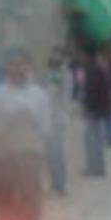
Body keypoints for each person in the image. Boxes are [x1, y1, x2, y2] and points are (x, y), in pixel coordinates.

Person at [0, 48, 51, 220]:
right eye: (12, 64)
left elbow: (47, 129)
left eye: (21, 64)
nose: (17, 68)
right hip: (4, 157)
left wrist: (32, 121)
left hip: (30, 157)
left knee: (32, 208)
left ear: (28, 67)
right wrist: (8, 124)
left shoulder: (39, 95)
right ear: (7, 67)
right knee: (5, 209)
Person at [80, 47, 111, 176]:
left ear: (87, 56)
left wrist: (87, 108)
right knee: (96, 138)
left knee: (91, 139)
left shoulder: (91, 70)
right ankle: (99, 167)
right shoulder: (98, 69)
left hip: (94, 110)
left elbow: (91, 92)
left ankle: (93, 168)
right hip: (99, 109)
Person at [45, 55, 70, 195]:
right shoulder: (59, 75)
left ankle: (59, 185)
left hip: (56, 120)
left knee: (56, 153)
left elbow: (52, 94)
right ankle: (56, 183)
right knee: (52, 153)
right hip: (54, 119)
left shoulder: (60, 76)